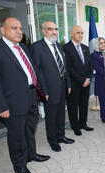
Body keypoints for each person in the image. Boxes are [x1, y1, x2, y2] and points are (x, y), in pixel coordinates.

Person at [0, 17, 49, 173]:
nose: (19, 31)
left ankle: (31, 154)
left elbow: (33, 71)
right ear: (3, 30)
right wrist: (0, 106)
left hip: (31, 97)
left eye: (20, 29)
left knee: (30, 130)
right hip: (12, 102)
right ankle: (20, 165)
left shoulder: (23, 47)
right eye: (14, 28)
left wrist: (40, 92)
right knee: (16, 136)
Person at [30, 21, 74, 152]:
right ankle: (53, 140)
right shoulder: (37, 47)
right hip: (49, 88)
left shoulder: (59, 46)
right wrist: (44, 90)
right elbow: (37, 71)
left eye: (56, 29)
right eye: (50, 29)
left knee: (61, 113)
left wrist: (69, 84)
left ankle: (61, 136)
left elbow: (65, 67)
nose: (54, 32)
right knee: (51, 116)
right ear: (43, 31)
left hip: (63, 85)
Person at [63, 25, 94, 136]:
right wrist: (82, 80)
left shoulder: (85, 48)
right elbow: (69, 68)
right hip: (74, 83)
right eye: (78, 33)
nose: (80, 35)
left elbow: (90, 64)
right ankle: (75, 126)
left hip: (86, 82)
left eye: (82, 33)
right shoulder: (66, 48)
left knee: (84, 104)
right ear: (72, 34)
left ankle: (83, 123)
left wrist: (88, 78)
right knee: (73, 106)